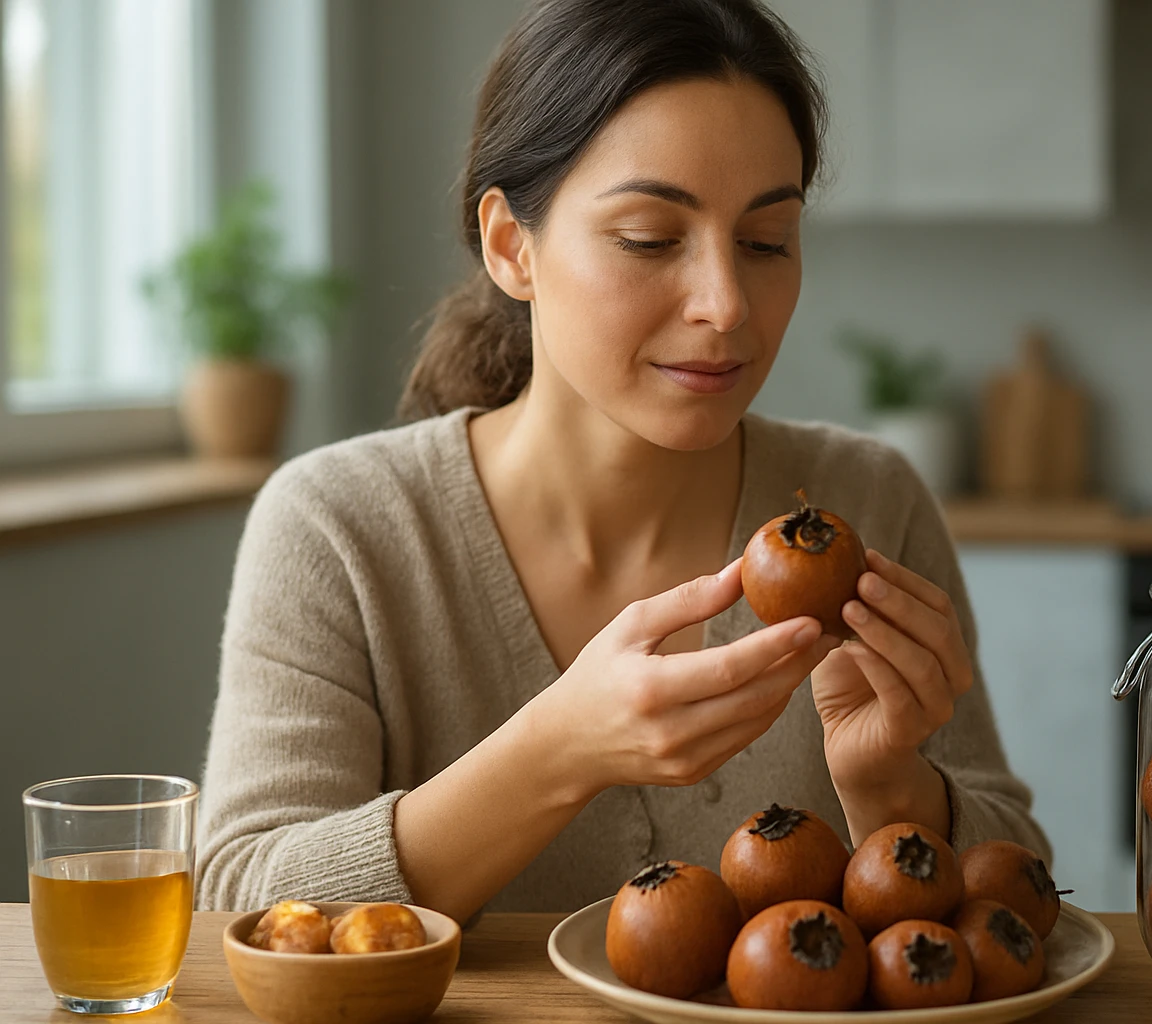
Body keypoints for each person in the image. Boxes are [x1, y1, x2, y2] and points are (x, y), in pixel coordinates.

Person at [195, 0, 1048, 924]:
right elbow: (240, 902)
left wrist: (893, 788)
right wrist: (560, 751)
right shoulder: (337, 525)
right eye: (649, 238)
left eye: (767, 242)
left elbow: (1022, 884)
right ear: (510, 246)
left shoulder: (868, 498)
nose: (726, 304)